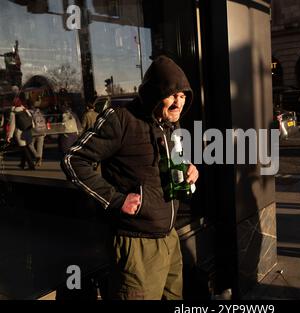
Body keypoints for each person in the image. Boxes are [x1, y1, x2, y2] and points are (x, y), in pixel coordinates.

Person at [61, 55, 199, 300]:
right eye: (173, 95)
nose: (179, 102)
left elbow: (164, 165)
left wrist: (189, 168)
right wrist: (116, 200)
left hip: (170, 239)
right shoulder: (121, 119)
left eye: (183, 95)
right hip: (137, 247)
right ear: (155, 93)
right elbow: (74, 160)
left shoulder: (168, 124)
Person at [7, 93, 35, 170]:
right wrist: (32, 127)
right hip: (27, 131)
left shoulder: (13, 113)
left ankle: (31, 165)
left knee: (24, 149)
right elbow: (31, 119)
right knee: (24, 148)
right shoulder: (25, 109)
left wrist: (9, 136)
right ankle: (22, 164)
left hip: (19, 132)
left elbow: (12, 125)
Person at [29, 100, 47, 167]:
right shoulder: (41, 112)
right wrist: (45, 131)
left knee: (30, 144)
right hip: (42, 130)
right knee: (40, 147)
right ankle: (39, 162)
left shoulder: (29, 113)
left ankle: (37, 156)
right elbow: (44, 121)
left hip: (34, 131)